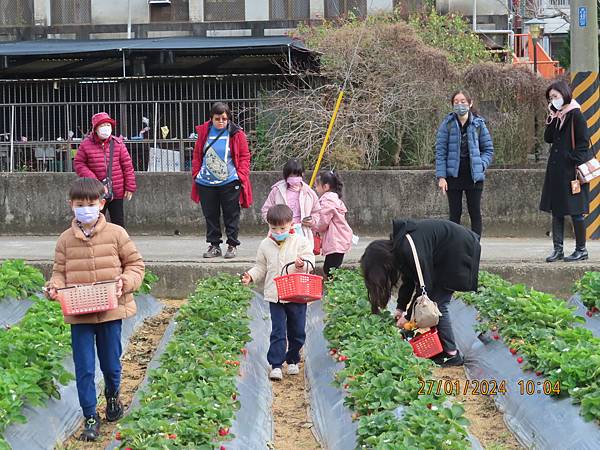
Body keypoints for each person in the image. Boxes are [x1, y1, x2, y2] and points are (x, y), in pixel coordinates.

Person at [45, 177, 144, 441]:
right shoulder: (65, 240)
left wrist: (126, 281)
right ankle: (90, 415)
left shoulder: (116, 234)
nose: (85, 209)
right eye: (80, 204)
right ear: (71, 205)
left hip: (111, 310)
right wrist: (54, 287)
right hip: (79, 313)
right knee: (85, 367)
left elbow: (135, 265)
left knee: (111, 364)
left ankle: (113, 396)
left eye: (91, 203)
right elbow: (59, 273)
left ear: (102, 203)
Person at [360, 218, 481, 366]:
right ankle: (442, 348)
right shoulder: (400, 248)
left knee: (436, 303)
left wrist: (409, 317)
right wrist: (400, 308)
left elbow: (425, 287)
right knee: (433, 301)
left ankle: (452, 354)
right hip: (449, 251)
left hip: (459, 250)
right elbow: (409, 280)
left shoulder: (408, 248)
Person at [241, 204, 315, 381]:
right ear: (269, 226)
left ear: (291, 224)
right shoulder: (265, 244)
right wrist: (251, 276)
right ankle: (276, 364)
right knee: (278, 331)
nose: (278, 231)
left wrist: (301, 264)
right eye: (274, 228)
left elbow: (310, 263)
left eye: (282, 227)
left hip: (296, 294)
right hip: (275, 295)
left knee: (297, 330)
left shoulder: (301, 242)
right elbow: (261, 267)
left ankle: (293, 359)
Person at [191, 102, 252, 259]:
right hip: (206, 182)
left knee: (231, 214)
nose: (221, 122)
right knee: (210, 214)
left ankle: (232, 245)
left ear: (228, 119)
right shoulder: (204, 132)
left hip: (230, 181)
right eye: (217, 118)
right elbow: (197, 155)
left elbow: (245, 156)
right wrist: (196, 174)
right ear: (211, 118)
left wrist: (240, 175)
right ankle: (214, 245)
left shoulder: (236, 134)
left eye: (224, 119)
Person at [541, 80, 591, 262]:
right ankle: (558, 249)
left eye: (556, 96)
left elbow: (583, 143)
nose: (553, 100)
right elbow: (548, 138)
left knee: (576, 212)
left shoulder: (575, 114)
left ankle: (581, 249)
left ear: (564, 94)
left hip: (571, 172)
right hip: (556, 172)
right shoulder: (558, 115)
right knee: (557, 211)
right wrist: (552, 117)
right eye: (551, 97)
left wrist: (570, 161)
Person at [435, 90, 494, 239]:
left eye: (463, 101)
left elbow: (488, 149)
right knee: (455, 214)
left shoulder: (479, 124)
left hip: (474, 175)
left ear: (470, 103)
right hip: (453, 176)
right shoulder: (446, 125)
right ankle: (454, 249)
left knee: (475, 212)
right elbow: (440, 152)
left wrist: (481, 165)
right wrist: (441, 177)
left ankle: (474, 247)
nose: (460, 105)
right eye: (456, 102)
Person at [74, 112, 136, 229]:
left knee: (118, 222)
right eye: (102, 126)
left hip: (116, 190)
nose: (106, 128)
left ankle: (119, 244)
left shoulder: (118, 143)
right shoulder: (86, 144)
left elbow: (127, 166)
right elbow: (79, 163)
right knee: (95, 222)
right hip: (96, 192)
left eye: (108, 125)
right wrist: (94, 181)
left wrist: (130, 186)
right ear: (95, 129)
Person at [261, 159, 320, 251]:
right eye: (291, 175)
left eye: (297, 175)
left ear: (302, 174)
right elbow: (266, 210)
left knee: (301, 259)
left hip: (302, 232)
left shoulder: (309, 193)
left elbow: (317, 212)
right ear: (286, 175)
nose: (294, 178)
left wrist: (312, 221)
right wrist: (275, 222)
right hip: (280, 232)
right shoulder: (277, 191)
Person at [312, 170, 353, 278]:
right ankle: (335, 289)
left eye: (317, 186)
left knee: (330, 270)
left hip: (336, 241)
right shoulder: (334, 198)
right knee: (332, 269)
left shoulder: (327, 200)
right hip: (339, 240)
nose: (315, 189)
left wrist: (312, 225)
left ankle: (336, 291)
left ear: (325, 187)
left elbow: (323, 223)